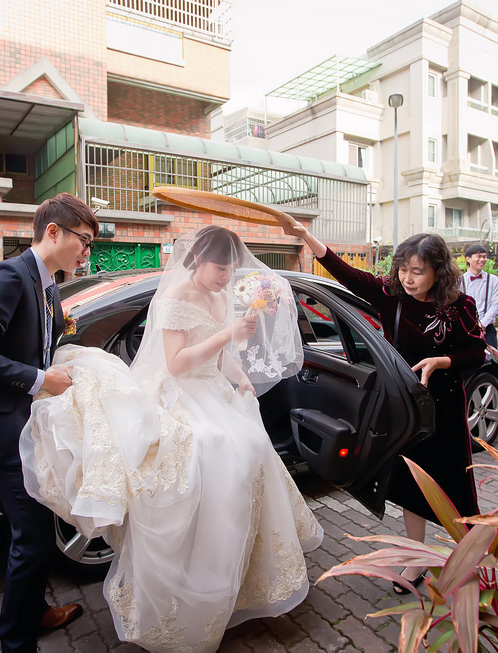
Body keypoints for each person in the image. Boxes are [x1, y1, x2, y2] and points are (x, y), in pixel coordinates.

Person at [20, 225, 322, 652]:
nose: (225, 277)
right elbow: (177, 364)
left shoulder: (220, 296)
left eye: (231, 269)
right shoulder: (176, 298)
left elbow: (224, 356)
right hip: (180, 392)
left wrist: (240, 380)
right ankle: (194, 583)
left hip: (212, 389)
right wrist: (225, 336)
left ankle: (239, 579)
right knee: (217, 452)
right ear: (198, 260)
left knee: (252, 450)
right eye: (220, 268)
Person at [283, 222, 485, 593]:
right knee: (411, 486)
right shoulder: (390, 294)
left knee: (454, 485)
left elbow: (475, 353)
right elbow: (345, 273)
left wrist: (441, 362)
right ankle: (416, 562)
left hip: (444, 406)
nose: (408, 278)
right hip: (407, 407)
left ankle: (471, 560)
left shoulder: (459, 306)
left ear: (438, 272)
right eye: (403, 269)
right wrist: (305, 237)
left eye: (417, 271)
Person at [0, 193, 98, 653]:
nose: (86, 253)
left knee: (37, 528)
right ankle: (16, 641)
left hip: (23, 423)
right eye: (85, 241)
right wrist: (41, 378)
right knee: (32, 538)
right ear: (53, 232)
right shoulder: (9, 275)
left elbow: (32, 341)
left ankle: (33, 613)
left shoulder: (47, 284)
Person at [461, 244, 498, 348]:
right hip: (465, 328)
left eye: (484, 257)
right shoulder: (459, 281)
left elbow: (496, 305)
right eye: (479, 256)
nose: (482, 259)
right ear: (468, 258)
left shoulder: (493, 280)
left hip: (487, 327)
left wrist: (482, 324)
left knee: (492, 360)